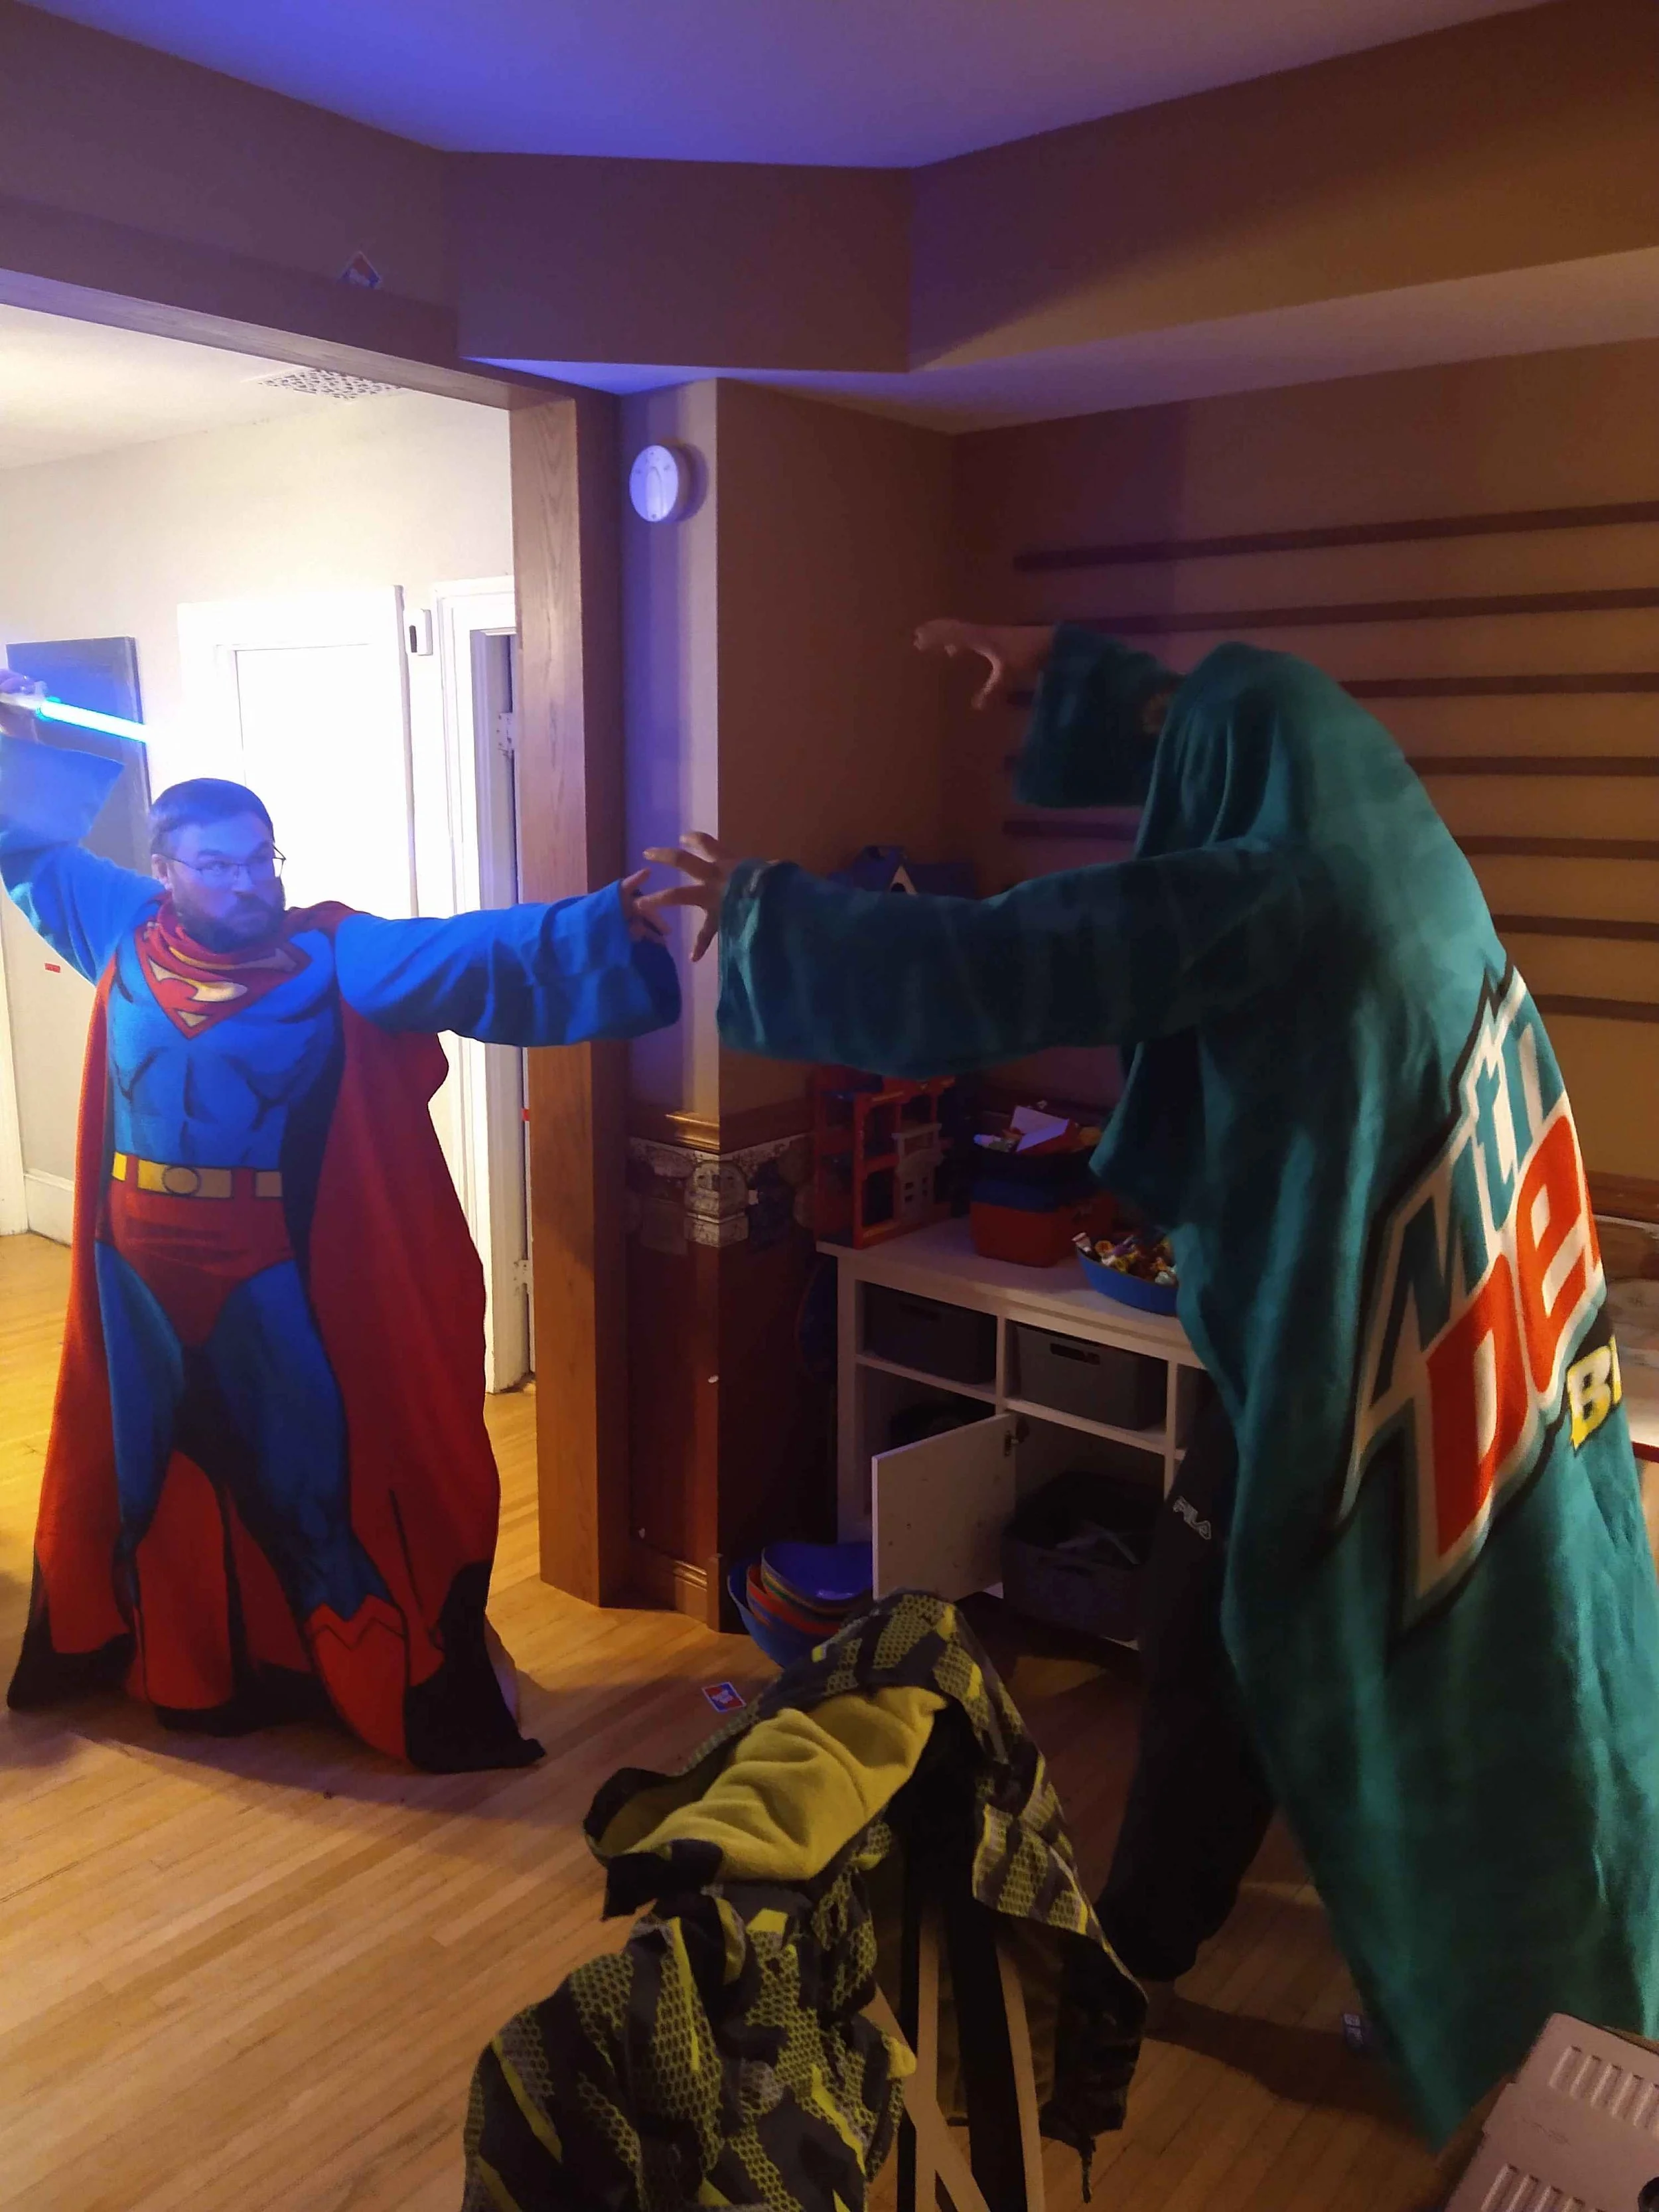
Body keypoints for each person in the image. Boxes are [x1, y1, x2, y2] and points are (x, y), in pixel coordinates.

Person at [642, 617, 1659, 2143]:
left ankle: (1207, 1959)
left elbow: (1037, 950)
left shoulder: (1290, 892)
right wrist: (1064, 674)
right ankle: (1338, 1954)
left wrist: (769, 914)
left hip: (1362, 1376)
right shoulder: (1406, 858)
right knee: (1435, 1671)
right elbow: (1208, 729)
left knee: (1255, 1648)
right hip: (1495, 1349)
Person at [2, 684, 679, 1771]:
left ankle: (374, 1686)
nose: (250, 883)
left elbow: (463, 953)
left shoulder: (331, 956)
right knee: (140, 1482)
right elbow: (28, 845)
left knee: (311, 1492)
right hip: (133, 1266)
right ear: (166, 869)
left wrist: (596, 924)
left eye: (261, 858)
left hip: (259, 1266)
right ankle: (178, 1669)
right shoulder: (122, 930)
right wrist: (16, 736)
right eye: (218, 865)